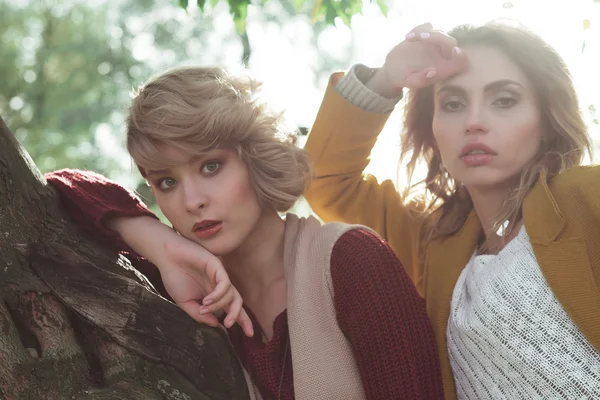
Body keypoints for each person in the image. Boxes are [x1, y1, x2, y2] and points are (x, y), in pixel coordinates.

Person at [46, 66, 444, 399]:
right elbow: (57, 186)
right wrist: (159, 243)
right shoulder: (180, 284)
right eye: (166, 182)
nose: (192, 201)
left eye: (210, 166)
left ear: (255, 156)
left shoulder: (352, 261)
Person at [304, 21, 600, 399]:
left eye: (504, 100)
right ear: (433, 128)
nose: (474, 122)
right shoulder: (434, 244)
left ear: (544, 120)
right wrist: (386, 78)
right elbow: (326, 181)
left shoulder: (587, 198)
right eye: (453, 104)